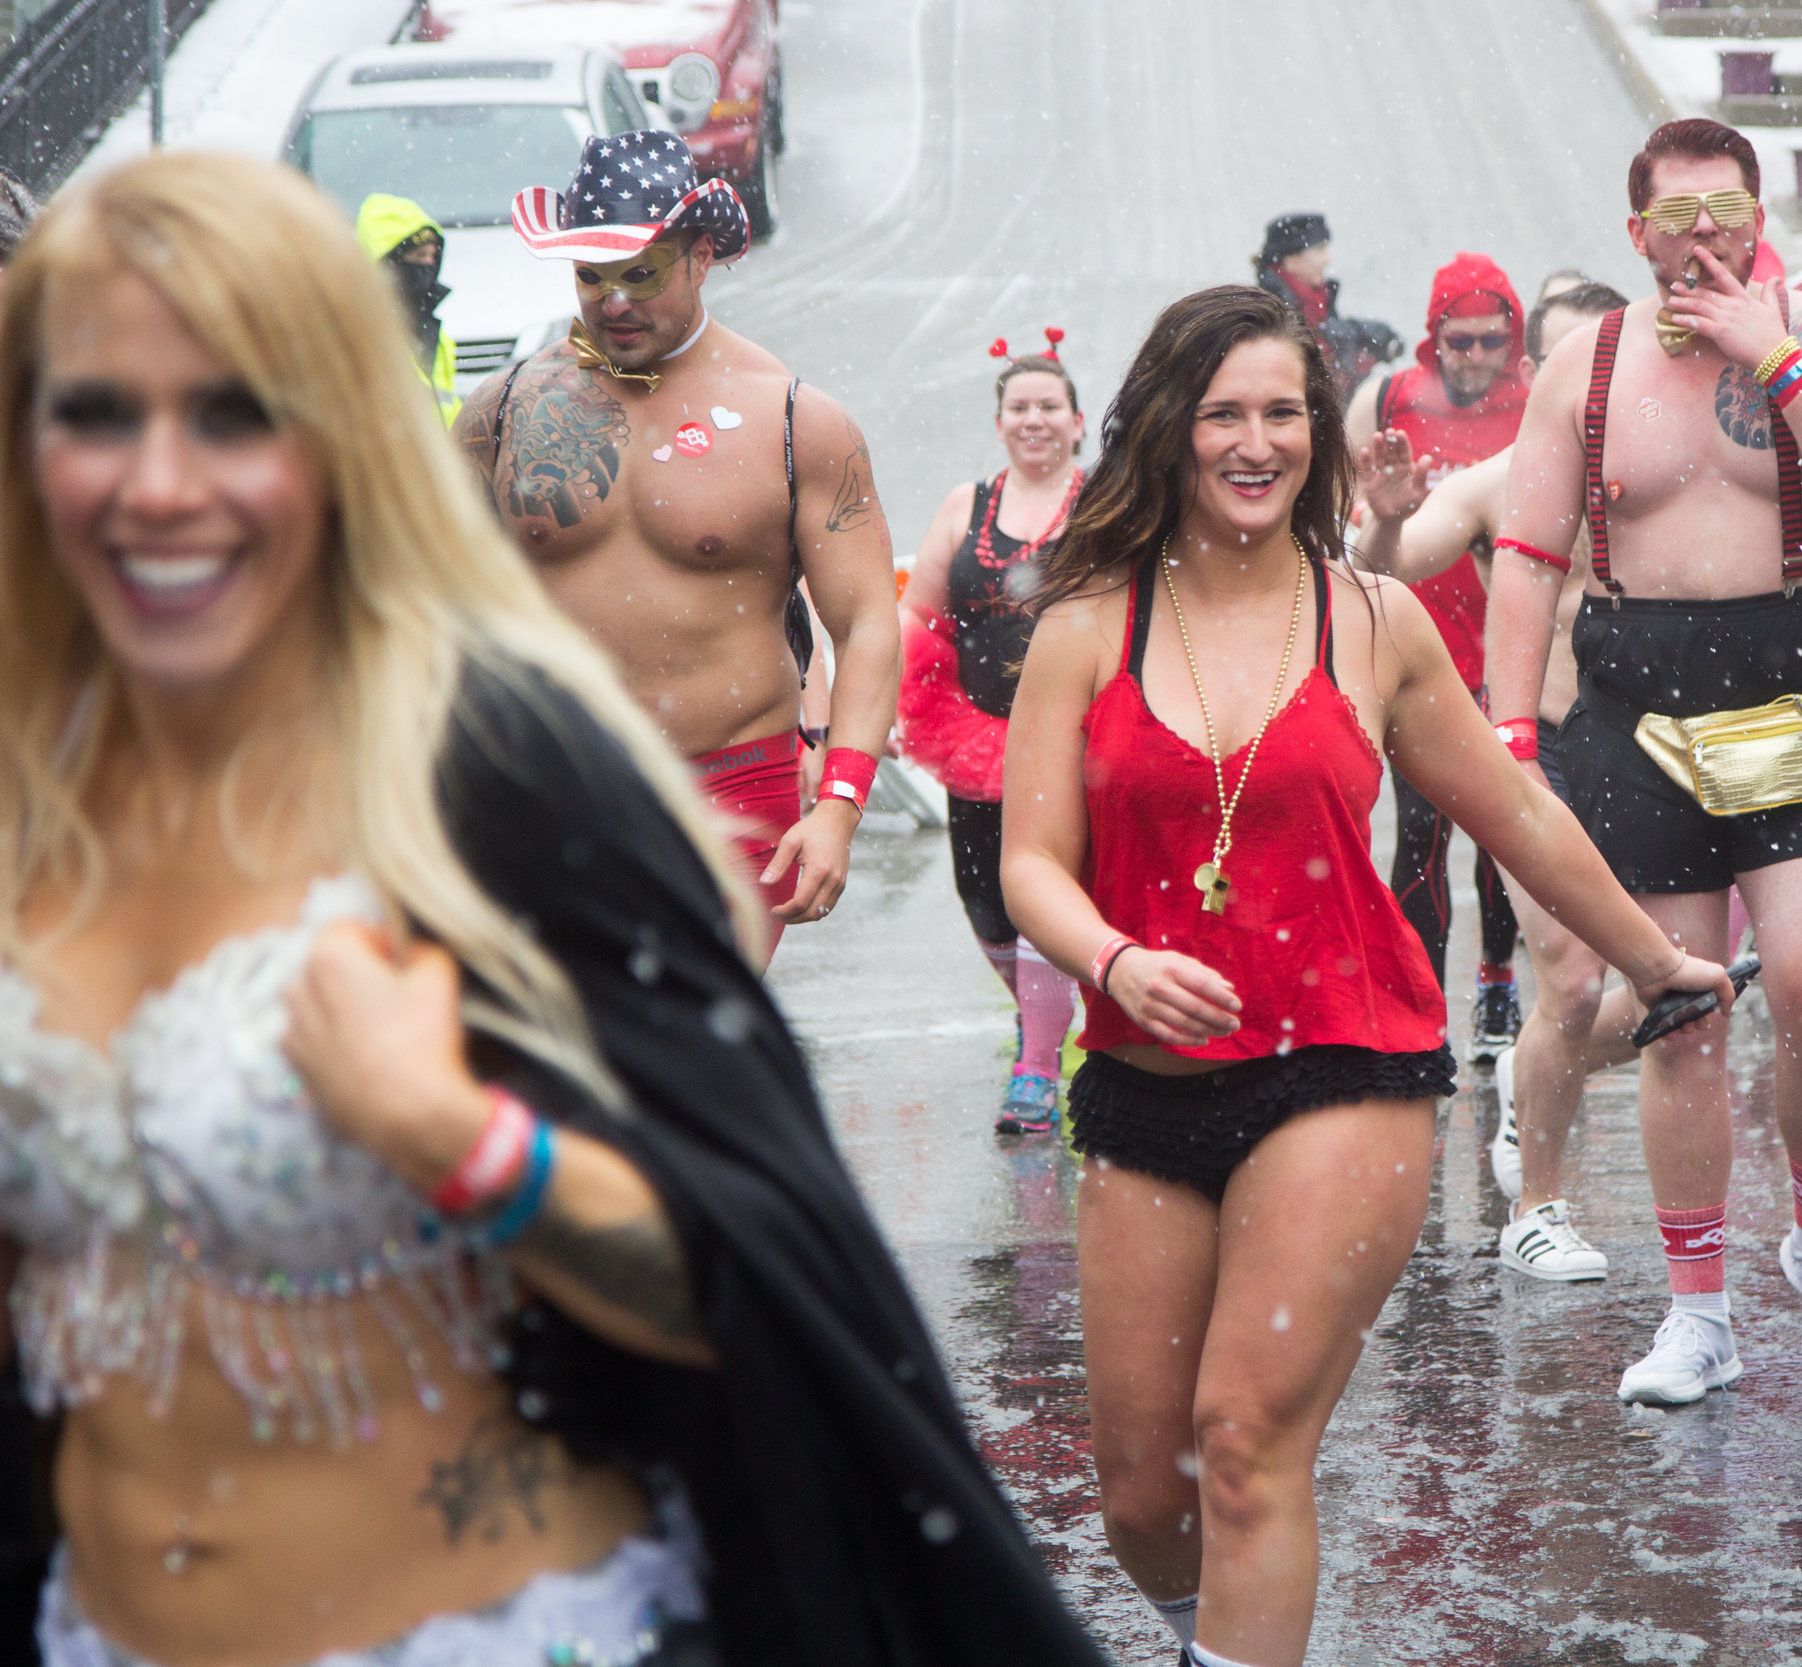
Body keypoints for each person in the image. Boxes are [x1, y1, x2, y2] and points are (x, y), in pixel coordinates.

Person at [0, 150, 1105, 1667]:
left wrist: (468, 1142)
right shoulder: (37, 804)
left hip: (487, 1613)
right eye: (96, 411)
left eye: (238, 409)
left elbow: (754, 1263)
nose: (162, 477)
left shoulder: (488, 769)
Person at [999, 284, 1728, 1667]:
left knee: (1245, 1437)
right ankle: (1215, 1632)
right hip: (1146, 1088)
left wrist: (1653, 953)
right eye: (1226, 414)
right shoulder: (1091, 623)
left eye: (1284, 412)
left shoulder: (1372, 620)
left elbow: (1514, 811)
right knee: (1145, 1492)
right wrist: (1115, 956)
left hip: (1345, 1062)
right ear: (1170, 430)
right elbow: (1035, 860)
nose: (1257, 441)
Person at [1486, 117, 1802, 1403]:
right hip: (1637, 718)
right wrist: (1515, 744)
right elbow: (1524, 556)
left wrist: (1775, 359)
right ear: (1636, 234)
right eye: (1675, 218)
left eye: (1723, 212)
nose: (1701, 238)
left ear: (1756, 217)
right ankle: (1696, 1310)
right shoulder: (1588, 361)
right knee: (1682, 1018)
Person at [457, 131, 900, 961]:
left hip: (729, 790)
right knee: (564, 1057)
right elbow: (426, 598)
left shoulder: (794, 419)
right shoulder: (504, 411)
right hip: (552, 787)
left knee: (681, 1046)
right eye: (592, 276)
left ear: (700, 258)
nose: (614, 302)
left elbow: (869, 621)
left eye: (641, 274)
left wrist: (839, 801)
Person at [1355, 279, 1629, 1281]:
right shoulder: (1506, 474)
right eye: (1548, 359)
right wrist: (1383, 524)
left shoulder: (1675, 464)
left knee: (1671, 990)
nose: (1569, 377)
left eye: (1589, 354)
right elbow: (1391, 558)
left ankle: (1529, 1072)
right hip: (1538, 743)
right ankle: (1543, 1207)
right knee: (1575, 974)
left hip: (1650, 752)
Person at [898, 333, 1089, 1130]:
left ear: (1078, 423)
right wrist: (885, 700)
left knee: (1049, 892)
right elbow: (919, 613)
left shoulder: (1107, 499)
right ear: (1001, 421)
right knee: (985, 903)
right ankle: (1044, 1022)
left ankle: (1037, 1067)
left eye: (1050, 406)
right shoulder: (965, 505)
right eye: (1020, 407)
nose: (1034, 419)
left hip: (1080, 739)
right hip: (975, 741)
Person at [1348, 252, 1535, 1058]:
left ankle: (1497, 977)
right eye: (1459, 344)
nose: (1475, 359)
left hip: (1504, 652)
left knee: (1501, 830)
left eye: (1491, 342)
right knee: (1420, 831)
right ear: (1433, 341)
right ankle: (1422, 1006)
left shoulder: (1538, 405)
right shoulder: (1391, 398)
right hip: (1413, 647)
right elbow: (1344, 498)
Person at [1249, 212, 1400, 399]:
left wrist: (1358, 361)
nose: (1328, 259)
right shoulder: (1269, 311)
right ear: (1290, 259)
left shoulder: (1317, 303)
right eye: (1319, 249)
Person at [354, 192, 459, 428]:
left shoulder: (437, 335)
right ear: (389, 263)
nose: (428, 266)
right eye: (419, 256)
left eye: (433, 256)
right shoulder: (359, 335)